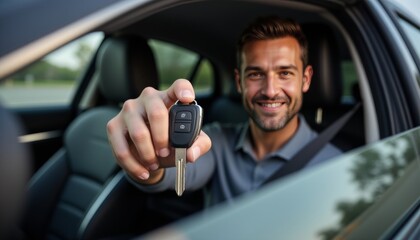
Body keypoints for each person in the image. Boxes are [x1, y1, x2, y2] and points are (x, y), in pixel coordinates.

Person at [106, 16, 342, 207]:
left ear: (306, 79)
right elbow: (172, 171)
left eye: (285, 73)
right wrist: (148, 158)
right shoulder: (216, 141)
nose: (270, 90)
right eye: (256, 74)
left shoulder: (336, 166)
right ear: (239, 82)